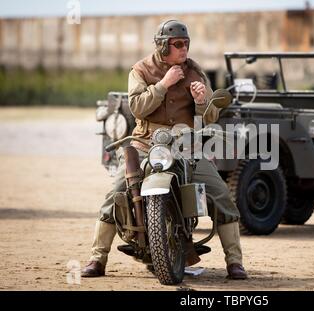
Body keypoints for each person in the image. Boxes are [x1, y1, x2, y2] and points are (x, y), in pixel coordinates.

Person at [81, 20, 247, 280]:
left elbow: (211, 116)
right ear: (162, 46)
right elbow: (136, 107)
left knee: (222, 195)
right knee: (115, 194)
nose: (184, 49)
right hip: (146, 143)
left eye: (186, 44)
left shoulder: (195, 72)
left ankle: (235, 263)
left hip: (187, 147)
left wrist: (203, 101)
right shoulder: (140, 70)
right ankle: (97, 258)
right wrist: (163, 85)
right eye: (178, 44)